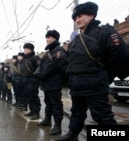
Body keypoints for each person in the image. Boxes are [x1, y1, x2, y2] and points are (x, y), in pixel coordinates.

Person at [57, 2, 127, 141]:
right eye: (75, 17)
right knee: (77, 112)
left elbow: (120, 55)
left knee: (102, 116)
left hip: (95, 84)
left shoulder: (105, 31)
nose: (77, 20)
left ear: (91, 15)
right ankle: (72, 134)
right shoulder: (76, 40)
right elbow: (71, 62)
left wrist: (106, 76)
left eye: (80, 16)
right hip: (77, 86)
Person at [35, 30, 67, 135]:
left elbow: (54, 66)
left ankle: (57, 126)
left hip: (54, 82)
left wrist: (42, 75)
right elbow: (40, 66)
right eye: (47, 37)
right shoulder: (47, 53)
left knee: (56, 104)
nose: (47, 39)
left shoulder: (59, 51)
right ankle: (47, 120)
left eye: (49, 37)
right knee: (48, 103)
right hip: (46, 83)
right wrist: (38, 73)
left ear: (55, 38)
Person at [20, 43, 41, 120]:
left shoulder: (35, 58)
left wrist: (36, 75)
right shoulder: (25, 59)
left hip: (33, 79)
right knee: (28, 96)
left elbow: (40, 66)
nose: (24, 50)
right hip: (26, 79)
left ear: (30, 49)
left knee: (33, 96)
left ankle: (36, 112)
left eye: (26, 48)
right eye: (24, 48)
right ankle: (32, 110)